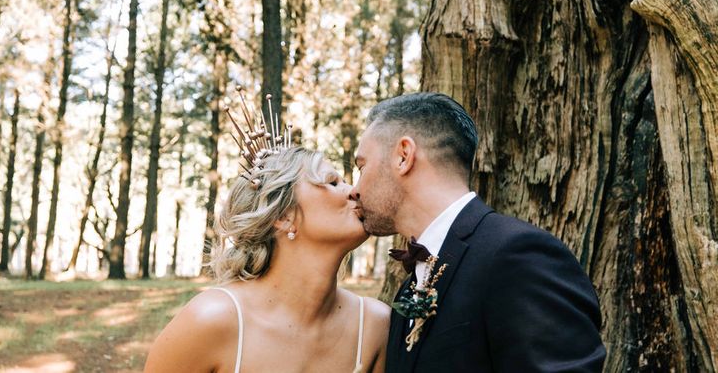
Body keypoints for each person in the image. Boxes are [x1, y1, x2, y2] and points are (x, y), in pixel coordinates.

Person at [350, 92, 606, 373]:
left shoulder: (519, 255)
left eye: (361, 167)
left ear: (403, 156)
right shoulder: (409, 288)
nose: (354, 189)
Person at [144, 144, 390, 373]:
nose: (355, 191)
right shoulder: (210, 320)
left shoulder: (374, 326)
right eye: (333, 182)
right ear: (283, 216)